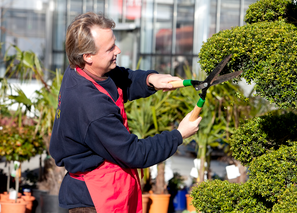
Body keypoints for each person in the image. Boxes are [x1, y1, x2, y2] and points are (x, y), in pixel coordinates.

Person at [49, 12, 202, 213]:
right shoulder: (91, 106)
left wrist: (150, 80)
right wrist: (178, 135)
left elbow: (119, 78)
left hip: (110, 186)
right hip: (95, 200)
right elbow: (134, 153)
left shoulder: (78, 71)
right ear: (88, 56)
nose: (118, 50)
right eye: (110, 48)